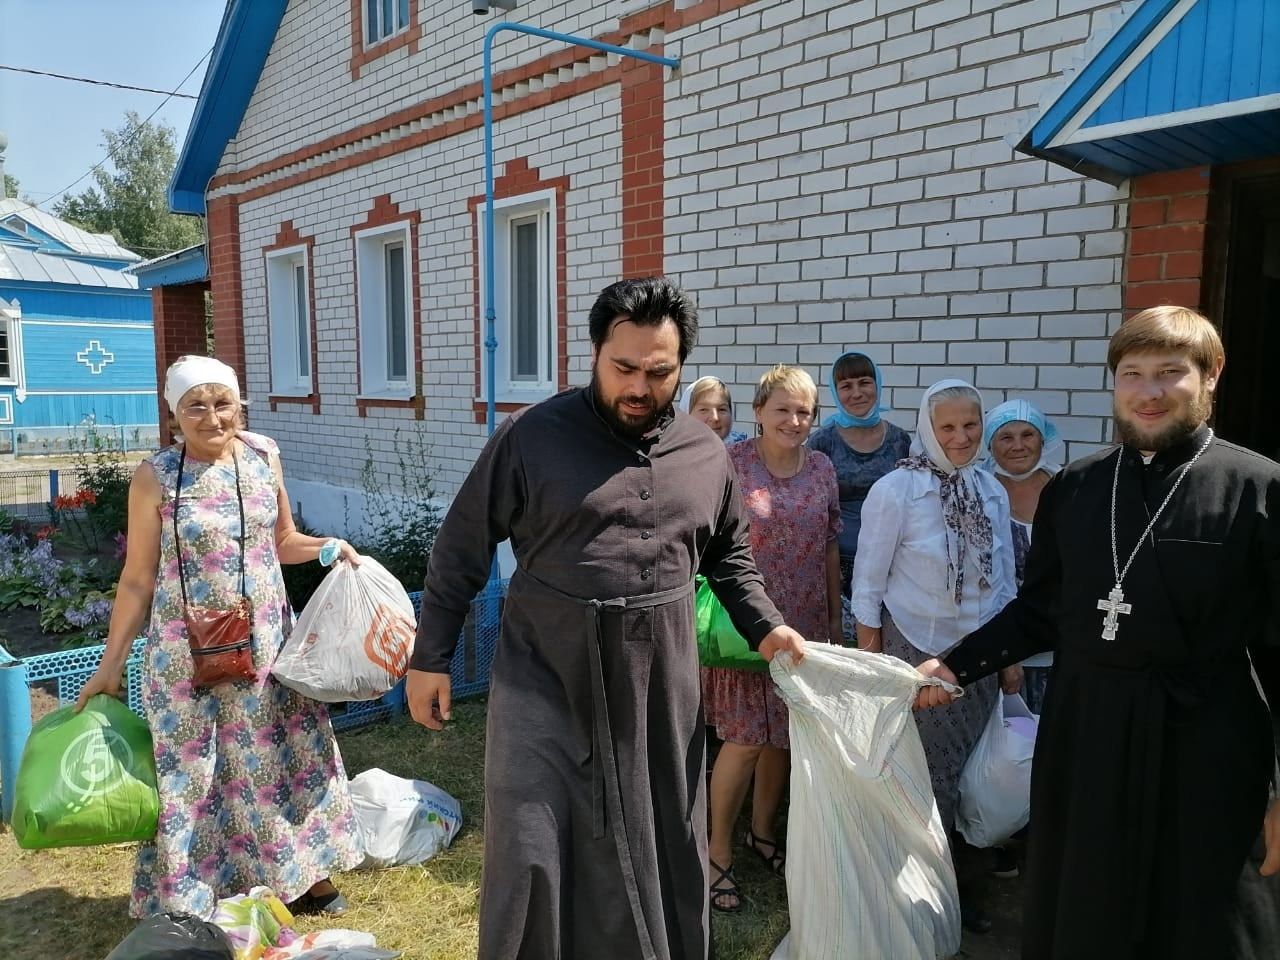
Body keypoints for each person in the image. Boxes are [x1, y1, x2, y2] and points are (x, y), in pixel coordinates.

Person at [405, 277, 808, 960]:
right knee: (533, 844)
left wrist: (769, 628)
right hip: (545, 675)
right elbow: (462, 546)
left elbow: (730, 562)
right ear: (594, 354)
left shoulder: (705, 454)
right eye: (623, 368)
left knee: (657, 842)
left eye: (659, 372)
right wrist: (430, 657)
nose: (639, 387)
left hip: (658, 687)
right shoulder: (532, 437)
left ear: (681, 368)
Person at [916, 306, 1280, 959]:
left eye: (1171, 373)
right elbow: (1040, 608)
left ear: (1212, 375)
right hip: (1089, 730)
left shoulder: (1257, 486)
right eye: (1132, 374)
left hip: (1206, 737)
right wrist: (952, 665)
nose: (1148, 392)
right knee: (1085, 903)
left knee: (1207, 913)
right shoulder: (1078, 488)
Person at [75, 356, 365, 919]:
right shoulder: (154, 476)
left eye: (222, 402)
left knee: (282, 755)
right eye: (195, 406)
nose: (212, 417)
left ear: (239, 404)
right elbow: (136, 578)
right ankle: (191, 893)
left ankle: (302, 877)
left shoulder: (263, 456)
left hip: (266, 646)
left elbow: (282, 540)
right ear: (174, 415)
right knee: (194, 770)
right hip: (184, 655)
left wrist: (328, 548)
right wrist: (112, 663)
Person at [851, 378, 1018, 933]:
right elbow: (868, 585)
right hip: (916, 653)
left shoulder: (989, 490)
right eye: (948, 426)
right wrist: (874, 666)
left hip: (982, 656)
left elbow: (1004, 582)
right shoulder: (896, 491)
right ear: (927, 428)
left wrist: (1010, 656)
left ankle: (960, 885)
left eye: (971, 424)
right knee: (928, 779)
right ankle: (927, 896)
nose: (962, 436)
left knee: (975, 774)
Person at [702, 365, 841, 913]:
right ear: (758, 412)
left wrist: (832, 622)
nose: (794, 419)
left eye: (804, 410)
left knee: (783, 737)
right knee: (744, 740)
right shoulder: (731, 463)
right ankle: (716, 853)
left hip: (802, 624)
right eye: (782, 408)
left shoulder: (824, 467)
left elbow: (830, 546)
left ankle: (763, 834)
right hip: (744, 627)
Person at [807, 351, 911, 640]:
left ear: (878, 384)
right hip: (838, 566)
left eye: (864, 382)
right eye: (846, 386)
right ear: (834, 391)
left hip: (892, 564)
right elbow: (816, 510)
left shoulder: (901, 441)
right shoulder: (823, 441)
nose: (856, 393)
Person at [983, 399, 1063, 715]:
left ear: (1043, 439)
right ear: (990, 444)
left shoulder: (1067, 486)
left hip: (1060, 649)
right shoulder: (980, 492)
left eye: (1027, 435)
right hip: (1001, 654)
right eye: (1006, 437)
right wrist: (1005, 655)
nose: (1018, 446)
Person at [680, 375, 748, 443]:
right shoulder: (675, 451)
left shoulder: (742, 451)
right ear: (686, 414)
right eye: (703, 410)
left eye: (722, 409)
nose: (715, 418)